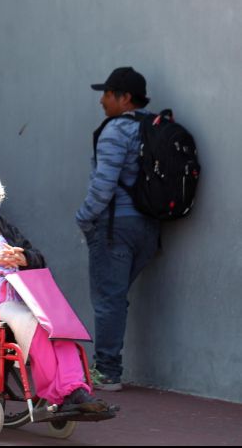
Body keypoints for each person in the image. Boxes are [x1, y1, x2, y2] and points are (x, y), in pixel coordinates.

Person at [0, 167, 109, 412]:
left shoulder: (4, 227)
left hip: (19, 297)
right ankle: (57, 394)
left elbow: (38, 257)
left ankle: (76, 389)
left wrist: (23, 258)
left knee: (59, 326)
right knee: (34, 324)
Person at [76, 67, 160, 392]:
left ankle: (107, 371)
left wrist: (83, 219)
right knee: (116, 297)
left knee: (108, 299)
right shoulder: (153, 127)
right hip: (148, 229)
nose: (102, 100)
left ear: (124, 98)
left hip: (115, 228)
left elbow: (103, 186)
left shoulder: (116, 131)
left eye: (108, 94)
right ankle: (109, 364)